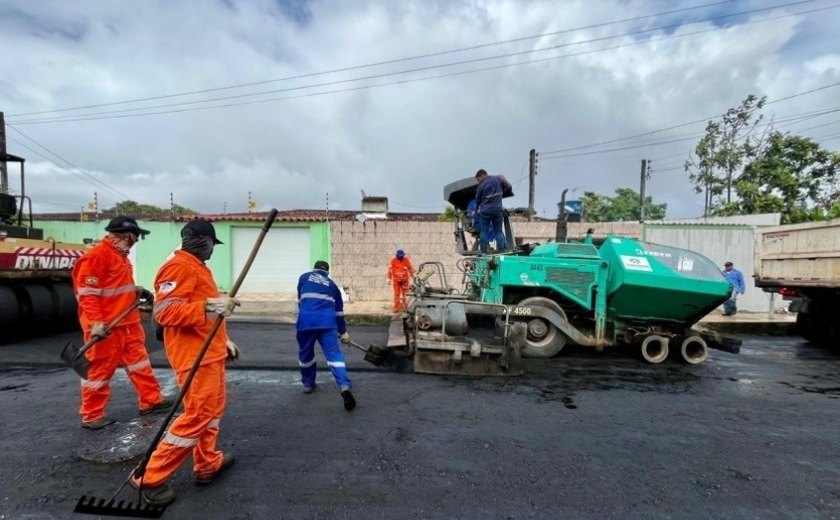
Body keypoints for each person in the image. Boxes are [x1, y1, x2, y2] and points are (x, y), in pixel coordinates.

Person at [131, 218, 241, 506]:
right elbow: (165, 313)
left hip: (210, 353)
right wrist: (209, 305)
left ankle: (208, 463)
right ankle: (149, 478)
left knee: (212, 413)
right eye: (210, 245)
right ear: (200, 240)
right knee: (197, 415)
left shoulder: (198, 267)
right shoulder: (178, 265)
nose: (212, 251)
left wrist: (224, 341)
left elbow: (207, 315)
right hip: (193, 357)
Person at [71, 216, 174, 430]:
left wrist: (137, 290)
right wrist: (96, 322)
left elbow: (117, 287)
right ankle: (92, 415)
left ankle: (151, 401)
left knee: (140, 364)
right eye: (136, 237)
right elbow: (88, 294)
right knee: (99, 371)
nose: (136, 241)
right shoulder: (97, 257)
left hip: (128, 323)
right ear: (127, 235)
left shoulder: (121, 257)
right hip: (107, 328)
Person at [296, 260, 356, 412]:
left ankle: (308, 384)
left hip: (306, 322)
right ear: (327, 272)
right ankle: (344, 386)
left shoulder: (303, 278)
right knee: (334, 356)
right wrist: (343, 332)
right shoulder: (332, 285)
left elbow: (300, 301)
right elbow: (339, 312)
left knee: (306, 355)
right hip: (327, 323)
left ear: (314, 269)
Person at [474, 169, 511, 253]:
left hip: (485, 212)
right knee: (498, 231)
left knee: (484, 231)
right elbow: (508, 188)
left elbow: (477, 201)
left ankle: (483, 251)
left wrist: (475, 213)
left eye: (478, 179)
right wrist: (505, 181)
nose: (478, 181)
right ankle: (501, 251)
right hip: (497, 211)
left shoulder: (481, 186)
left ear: (482, 175)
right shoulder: (498, 179)